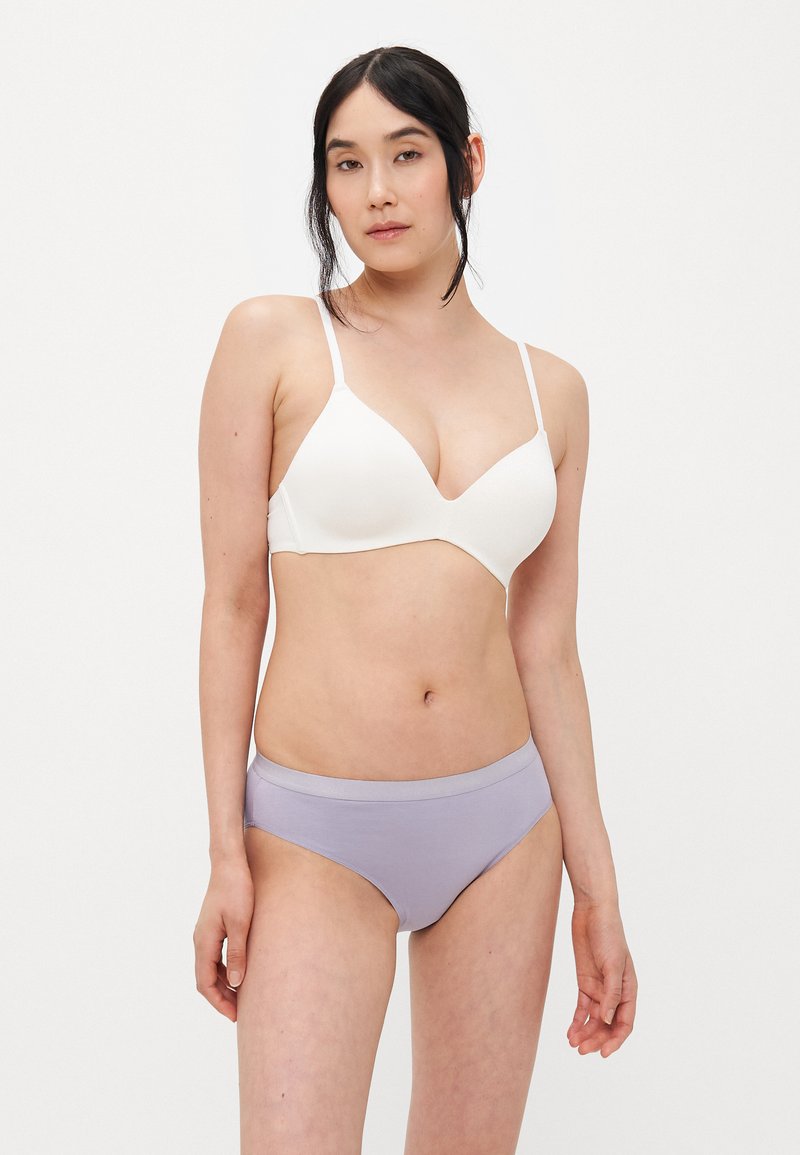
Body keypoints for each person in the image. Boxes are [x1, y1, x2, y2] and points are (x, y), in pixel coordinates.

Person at [194, 44, 637, 1154]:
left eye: (406, 154)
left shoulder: (554, 393)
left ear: (466, 163)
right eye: (345, 164)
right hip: (314, 832)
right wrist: (223, 854)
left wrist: (596, 887)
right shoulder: (273, 340)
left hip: (505, 829)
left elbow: (547, 646)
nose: (377, 192)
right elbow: (232, 606)